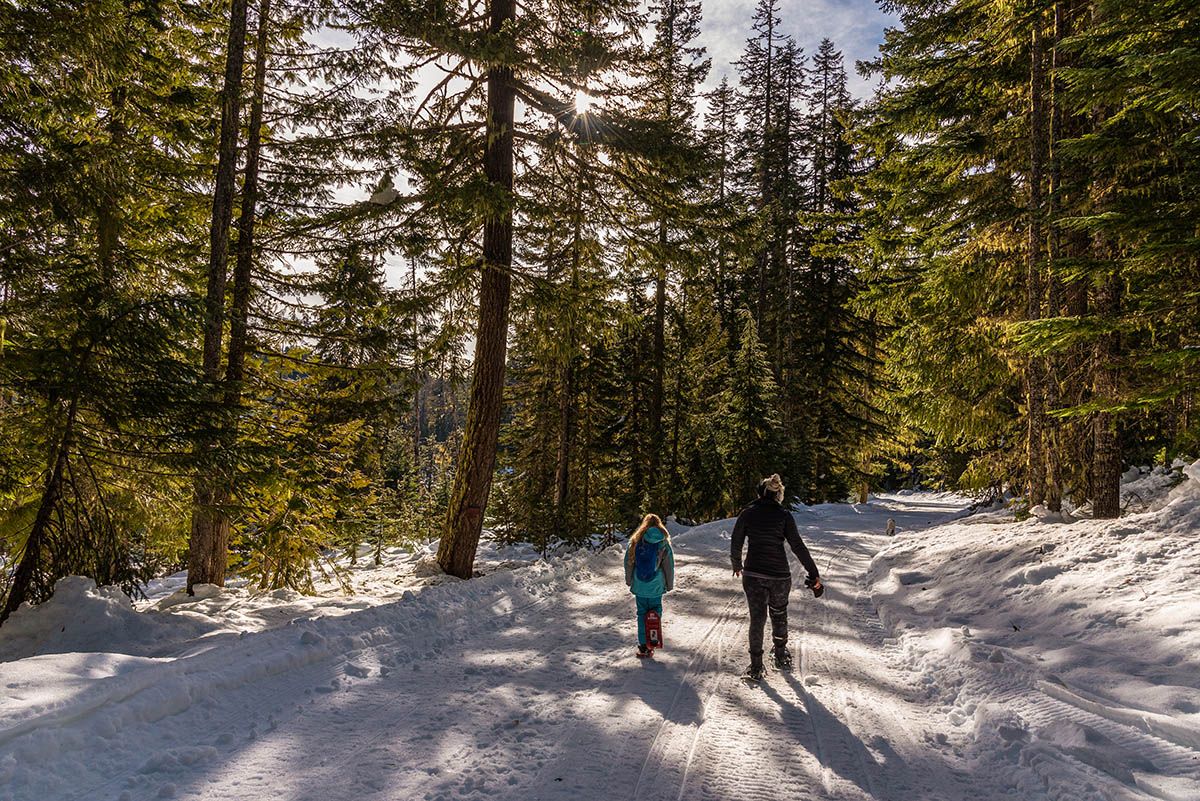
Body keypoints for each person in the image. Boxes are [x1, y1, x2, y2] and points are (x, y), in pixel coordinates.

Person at [731, 473, 822, 681]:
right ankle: (781, 656)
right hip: (780, 576)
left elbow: (736, 540)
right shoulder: (784, 515)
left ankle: (755, 667)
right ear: (778, 495)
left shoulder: (748, 513)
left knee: (757, 618)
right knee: (779, 614)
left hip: (753, 574)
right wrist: (813, 572)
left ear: (760, 493)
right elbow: (797, 546)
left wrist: (737, 564)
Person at [624, 513, 675, 658]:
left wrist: (629, 581)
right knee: (655, 611)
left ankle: (643, 646)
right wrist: (669, 584)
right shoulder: (663, 542)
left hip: (640, 584)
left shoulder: (635, 540)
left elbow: (628, 563)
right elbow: (668, 565)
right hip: (656, 585)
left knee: (641, 613)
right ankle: (653, 639)